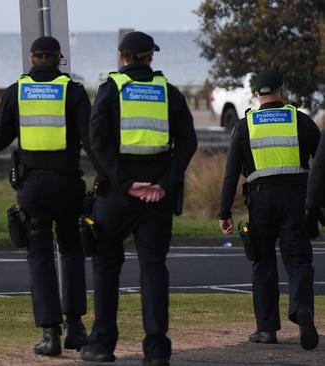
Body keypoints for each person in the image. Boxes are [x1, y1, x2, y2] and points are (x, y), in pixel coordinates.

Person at [82, 32, 197, 365]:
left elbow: (97, 143)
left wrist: (126, 183)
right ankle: (157, 351)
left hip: (117, 195)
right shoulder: (169, 93)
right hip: (157, 198)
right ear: (150, 58)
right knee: (153, 269)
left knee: (105, 265)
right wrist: (162, 183)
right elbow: (187, 144)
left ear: (122, 57)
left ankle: (102, 345)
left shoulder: (110, 90)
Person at [0, 36, 94, 356]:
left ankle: (50, 334)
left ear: (32, 59)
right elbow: (92, 140)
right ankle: (75, 327)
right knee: (72, 251)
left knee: (40, 257)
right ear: (59, 58)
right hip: (67, 184)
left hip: (33, 187)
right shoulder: (73, 91)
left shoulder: (17, 90)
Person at [218, 70, 320, 351]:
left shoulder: (245, 125)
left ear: (256, 94)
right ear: (281, 90)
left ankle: (266, 330)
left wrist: (224, 212)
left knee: (262, 263)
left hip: (260, 201)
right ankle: (302, 310)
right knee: (298, 260)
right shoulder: (300, 120)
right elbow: (321, 163)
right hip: (296, 199)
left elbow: (230, 176)